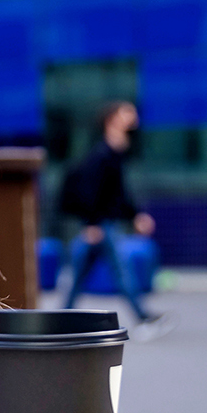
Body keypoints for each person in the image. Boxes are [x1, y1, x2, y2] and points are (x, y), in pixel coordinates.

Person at [58, 100, 162, 327]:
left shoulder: (116, 151)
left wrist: (134, 216)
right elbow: (92, 191)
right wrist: (92, 223)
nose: (133, 116)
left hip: (105, 222)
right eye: (127, 112)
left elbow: (118, 192)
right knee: (121, 271)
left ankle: (61, 318)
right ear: (112, 119)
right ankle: (142, 317)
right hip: (102, 224)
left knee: (80, 273)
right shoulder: (102, 154)